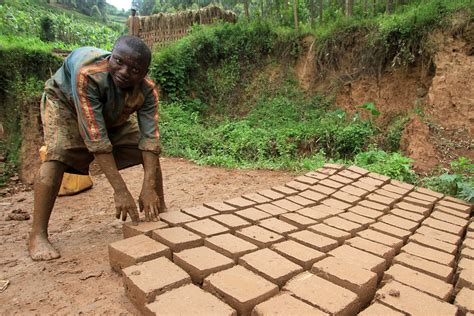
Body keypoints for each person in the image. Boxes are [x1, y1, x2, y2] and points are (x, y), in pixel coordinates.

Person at [28, 36, 166, 261]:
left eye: (134, 69)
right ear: (111, 56)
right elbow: (97, 139)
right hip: (67, 104)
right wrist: (121, 190)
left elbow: (150, 141)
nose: (123, 71)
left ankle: (159, 208)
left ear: (144, 73)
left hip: (112, 109)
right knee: (57, 156)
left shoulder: (147, 91)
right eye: (119, 62)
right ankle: (37, 235)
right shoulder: (89, 75)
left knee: (146, 151)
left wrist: (148, 186)